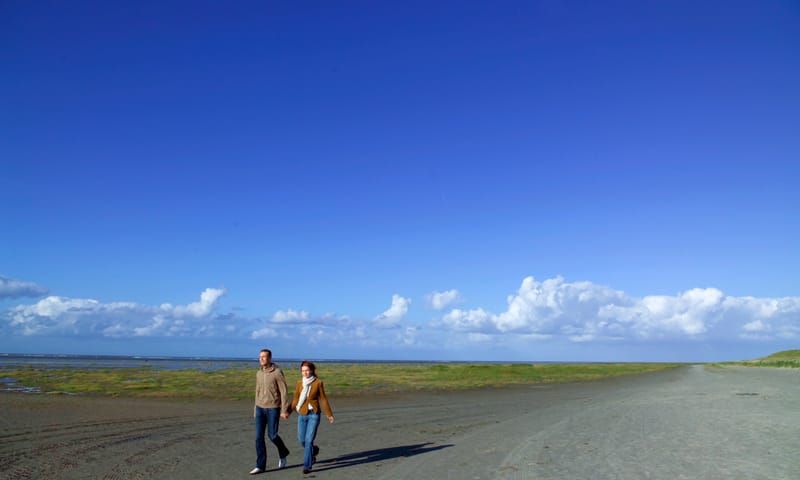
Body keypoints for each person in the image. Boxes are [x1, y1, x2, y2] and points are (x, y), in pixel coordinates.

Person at [250, 349, 291, 475]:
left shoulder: (277, 372)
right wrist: (255, 409)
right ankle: (260, 466)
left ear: (270, 358)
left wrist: (284, 410)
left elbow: (284, 392)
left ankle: (283, 452)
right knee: (258, 437)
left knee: (272, 435)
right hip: (260, 408)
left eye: (264, 357)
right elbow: (257, 391)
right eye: (260, 357)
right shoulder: (258, 373)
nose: (261, 359)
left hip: (273, 408)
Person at [289, 360, 334, 474]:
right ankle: (313, 451)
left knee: (309, 440)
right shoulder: (300, 383)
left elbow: (323, 399)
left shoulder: (318, 383)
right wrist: (288, 411)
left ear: (312, 370)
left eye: (307, 370)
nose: (305, 373)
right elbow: (295, 399)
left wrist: (329, 414)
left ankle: (307, 466)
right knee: (302, 440)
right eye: (303, 371)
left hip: (314, 414)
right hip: (302, 413)